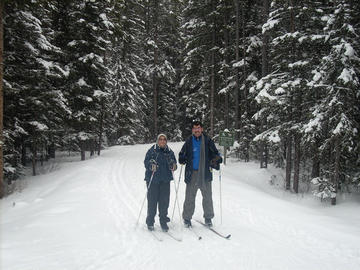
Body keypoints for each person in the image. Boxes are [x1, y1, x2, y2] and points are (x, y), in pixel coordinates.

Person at [179, 120, 222, 228]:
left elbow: (215, 153)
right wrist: (182, 158)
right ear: (192, 130)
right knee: (189, 196)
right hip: (192, 173)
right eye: (195, 128)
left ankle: (208, 218)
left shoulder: (207, 140)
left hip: (205, 173)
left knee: (207, 196)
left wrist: (217, 159)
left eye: (198, 128)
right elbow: (182, 153)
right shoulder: (189, 141)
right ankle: (187, 218)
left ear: (201, 129)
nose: (197, 130)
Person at [144, 133, 177, 232]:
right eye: (160, 139)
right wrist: (151, 165)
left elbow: (174, 163)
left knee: (164, 202)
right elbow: (146, 162)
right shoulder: (152, 150)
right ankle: (150, 222)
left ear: (166, 141)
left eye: (164, 139)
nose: (162, 141)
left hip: (165, 180)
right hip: (153, 180)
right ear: (157, 141)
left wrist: (173, 165)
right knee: (152, 202)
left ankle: (163, 221)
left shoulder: (169, 152)